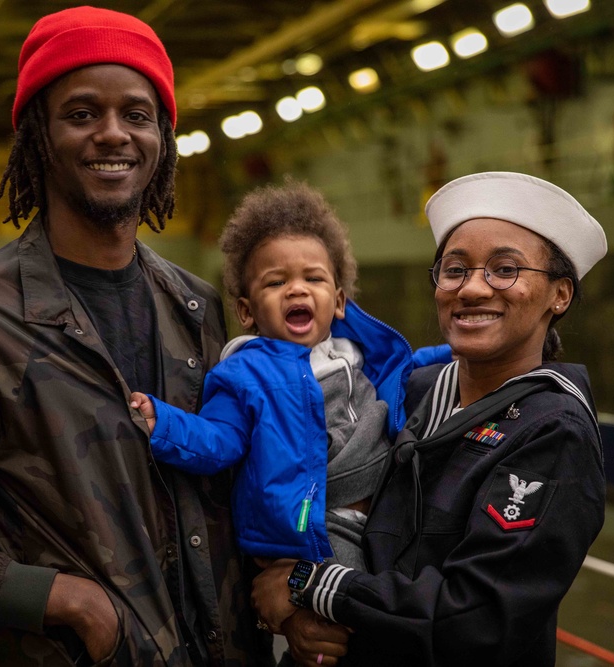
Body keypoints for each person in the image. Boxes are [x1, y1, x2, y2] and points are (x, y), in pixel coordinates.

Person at [0, 7, 268, 666]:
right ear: (39, 134)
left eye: (137, 114)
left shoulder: (193, 305)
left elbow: (231, 480)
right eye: (82, 113)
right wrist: (57, 598)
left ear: (164, 136)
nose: (113, 134)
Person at [252, 171, 609, 667]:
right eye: (455, 269)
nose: (473, 288)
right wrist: (299, 618)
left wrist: (308, 585)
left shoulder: (552, 431)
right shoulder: (410, 392)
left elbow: (476, 617)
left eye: (505, 269)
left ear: (559, 295)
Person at [130, 181, 434, 572]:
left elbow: (407, 368)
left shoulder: (358, 352)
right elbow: (219, 439)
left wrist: (459, 351)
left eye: (314, 278)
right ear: (246, 311)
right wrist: (165, 425)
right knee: (351, 604)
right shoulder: (244, 374)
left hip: (385, 505)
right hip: (319, 524)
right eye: (276, 282)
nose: (296, 289)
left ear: (339, 301)